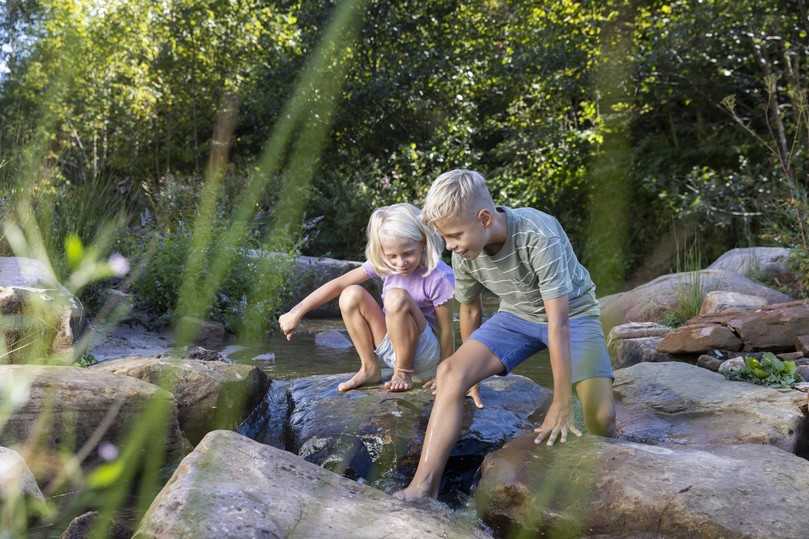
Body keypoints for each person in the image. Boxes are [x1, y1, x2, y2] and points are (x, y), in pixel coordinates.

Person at [395, 169, 615, 501]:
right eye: (446, 239)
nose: (451, 246)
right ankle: (423, 485)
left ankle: (614, 456)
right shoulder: (464, 253)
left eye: (455, 236)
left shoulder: (539, 233)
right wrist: (471, 375)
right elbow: (469, 311)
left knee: (601, 418)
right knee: (450, 372)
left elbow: (559, 323)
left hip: (573, 314)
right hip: (515, 316)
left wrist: (561, 401)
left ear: (483, 219)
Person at [279, 203, 456, 393]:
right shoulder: (386, 264)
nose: (400, 263)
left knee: (396, 297)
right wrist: (297, 311)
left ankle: (403, 372)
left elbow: (447, 331)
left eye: (407, 254)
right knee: (350, 294)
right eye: (392, 256)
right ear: (381, 251)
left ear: (422, 242)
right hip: (391, 346)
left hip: (425, 355)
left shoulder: (439, 276)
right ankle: (369, 368)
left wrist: (444, 373)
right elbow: (339, 284)